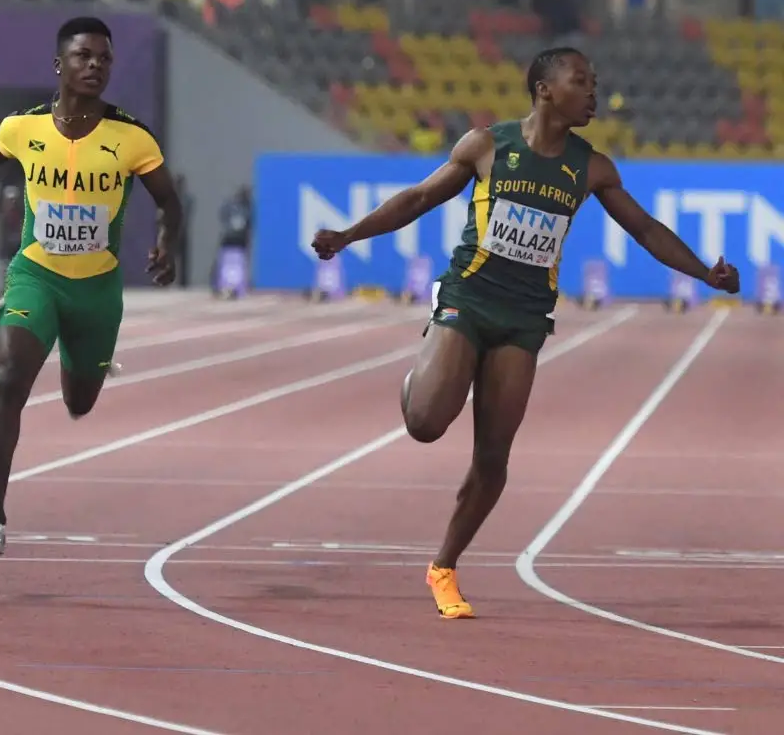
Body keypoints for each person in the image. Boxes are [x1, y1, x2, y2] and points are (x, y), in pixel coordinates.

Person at [310, 47, 739, 619]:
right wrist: (347, 235)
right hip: (467, 297)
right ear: (544, 89)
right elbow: (416, 198)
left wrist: (704, 272)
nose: (593, 91)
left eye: (595, 81)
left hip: (525, 318)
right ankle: (424, 373)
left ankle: (443, 568)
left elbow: (644, 229)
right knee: (425, 423)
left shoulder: (592, 167)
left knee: (493, 459)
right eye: (582, 81)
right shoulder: (487, 145)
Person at [0, 16, 185, 559]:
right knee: (7, 377)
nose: (95, 66)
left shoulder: (131, 136)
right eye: (84, 56)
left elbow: (168, 200)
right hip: (34, 275)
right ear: (59, 65)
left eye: (104, 59)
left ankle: (78, 358)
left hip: (96, 291)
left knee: (79, 401)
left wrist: (167, 243)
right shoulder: (23, 128)